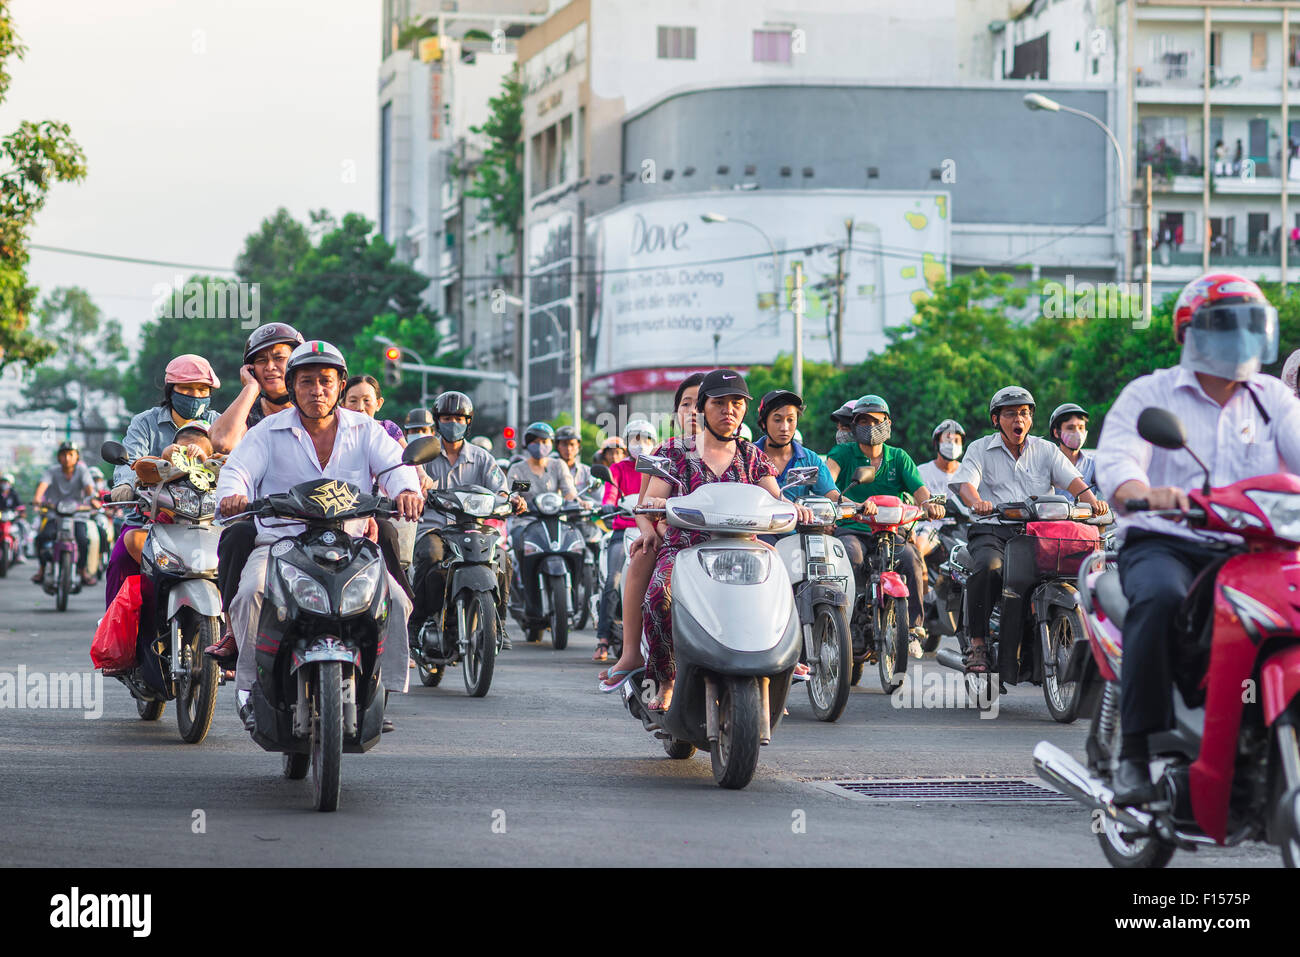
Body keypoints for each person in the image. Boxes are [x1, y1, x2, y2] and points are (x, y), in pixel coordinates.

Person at [1096, 273, 1300, 806]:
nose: (1239, 338)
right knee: (1161, 600)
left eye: (1249, 326)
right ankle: (1134, 754)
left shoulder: (1273, 398)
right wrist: (1141, 490)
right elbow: (1118, 459)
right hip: (1169, 542)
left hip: (1258, 545)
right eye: (1225, 325)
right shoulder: (1151, 393)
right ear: (1191, 332)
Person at [216, 340, 423, 732]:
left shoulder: (367, 429)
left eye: (326, 381)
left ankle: (379, 690)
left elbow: (395, 466)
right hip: (281, 544)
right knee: (249, 595)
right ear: (292, 387)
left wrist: (406, 490)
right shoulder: (266, 432)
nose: (317, 390)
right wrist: (232, 497)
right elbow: (237, 470)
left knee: (396, 599)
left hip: (351, 544)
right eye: (306, 381)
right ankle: (248, 691)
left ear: (340, 386)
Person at [637, 370, 814, 711]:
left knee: (780, 598)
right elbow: (653, 499)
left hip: (744, 551)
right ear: (703, 408)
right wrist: (658, 501)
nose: (728, 410)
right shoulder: (674, 451)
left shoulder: (753, 456)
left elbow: (775, 498)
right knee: (659, 597)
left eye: (736, 403)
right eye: (719, 403)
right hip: (686, 550)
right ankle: (667, 679)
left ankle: (772, 674)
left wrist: (794, 507)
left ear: (744, 410)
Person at [950, 386, 1108, 675]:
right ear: (996, 419)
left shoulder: (1046, 450)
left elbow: (1074, 482)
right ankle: (978, 643)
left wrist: (1094, 503)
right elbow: (966, 485)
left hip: (1039, 533)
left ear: (1031, 420)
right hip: (993, 530)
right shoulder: (979, 448)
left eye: (1023, 413)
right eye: (1010, 414)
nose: (1017, 419)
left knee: (1070, 569)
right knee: (989, 567)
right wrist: (978, 503)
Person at [598, 373, 707, 689]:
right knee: (640, 555)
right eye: (686, 404)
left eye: (701, 403)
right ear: (676, 413)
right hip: (672, 539)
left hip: (726, 543)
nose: (693, 411)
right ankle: (630, 653)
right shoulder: (663, 452)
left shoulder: (739, 451)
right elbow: (643, 507)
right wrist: (648, 530)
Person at [826, 395, 945, 654]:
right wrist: (849, 503)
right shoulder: (843, 453)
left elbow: (921, 491)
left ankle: (913, 629)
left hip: (891, 530)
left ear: (887, 423)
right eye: (863, 421)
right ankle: (852, 622)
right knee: (851, 556)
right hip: (853, 528)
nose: (869, 426)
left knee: (911, 558)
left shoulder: (899, 458)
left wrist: (929, 506)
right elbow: (828, 484)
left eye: (875, 421)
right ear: (855, 425)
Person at [408, 390, 522, 654]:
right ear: (437, 421)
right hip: (436, 528)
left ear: (468, 421)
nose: (453, 423)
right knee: (430, 555)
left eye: (459, 418)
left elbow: (501, 489)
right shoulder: (424, 454)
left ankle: (499, 623)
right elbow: (412, 484)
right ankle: (419, 619)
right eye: (447, 417)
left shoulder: (482, 457)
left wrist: (511, 500)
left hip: (475, 528)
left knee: (503, 560)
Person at [104, 354, 221, 605]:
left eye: (202, 389)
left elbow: (235, 459)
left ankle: (237, 637)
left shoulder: (218, 423)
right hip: (149, 520)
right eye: (187, 388)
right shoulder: (145, 422)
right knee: (121, 560)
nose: (195, 394)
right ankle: (119, 638)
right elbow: (131, 460)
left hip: (210, 522)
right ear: (171, 390)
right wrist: (124, 485)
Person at [592, 418, 656, 662]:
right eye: (635, 439)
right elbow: (610, 492)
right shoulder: (617, 469)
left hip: (650, 532)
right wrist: (608, 505)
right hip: (623, 530)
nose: (641, 444)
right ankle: (603, 639)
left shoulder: (657, 468)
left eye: (646, 439)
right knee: (613, 580)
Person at [208, 322, 304, 453]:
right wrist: (251, 387)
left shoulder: (316, 407)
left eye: (279, 358)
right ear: (251, 370)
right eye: (261, 360)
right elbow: (223, 442)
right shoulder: (247, 415)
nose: (270, 367)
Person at [32, 441, 100, 586]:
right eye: (63, 454)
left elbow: (89, 489)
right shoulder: (52, 471)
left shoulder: (83, 471)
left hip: (78, 516)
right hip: (55, 516)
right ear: (58, 457)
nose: (67, 458)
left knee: (83, 540)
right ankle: (42, 569)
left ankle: (82, 571)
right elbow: (42, 486)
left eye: (71, 454)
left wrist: (93, 500)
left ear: (77, 457)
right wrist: (37, 499)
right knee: (42, 538)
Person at [755, 390, 841, 504]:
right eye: (777, 420)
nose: (785, 427)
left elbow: (833, 496)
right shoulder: (748, 456)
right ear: (763, 423)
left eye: (790, 420)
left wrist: (858, 505)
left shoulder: (810, 459)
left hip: (799, 521)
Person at [915, 418, 967, 559]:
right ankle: (922, 581)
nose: (952, 445)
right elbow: (917, 499)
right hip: (932, 525)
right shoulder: (922, 471)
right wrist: (939, 502)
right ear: (937, 443)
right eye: (947, 440)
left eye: (957, 441)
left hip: (961, 526)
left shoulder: (968, 472)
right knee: (918, 548)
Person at [343, 374, 406, 446]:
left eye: (366, 400)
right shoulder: (337, 432)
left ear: (378, 404)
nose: (360, 408)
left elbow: (407, 456)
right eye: (353, 401)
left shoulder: (388, 429)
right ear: (343, 405)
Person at [1047, 403, 1096, 496]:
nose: (1077, 432)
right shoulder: (1047, 463)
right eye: (1070, 428)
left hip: (1087, 511)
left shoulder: (1093, 464)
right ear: (1056, 432)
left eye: (1081, 427)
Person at [554, 425, 595, 501]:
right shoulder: (549, 469)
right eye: (564, 444)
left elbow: (598, 497)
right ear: (557, 446)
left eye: (572, 444)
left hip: (582, 511)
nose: (568, 449)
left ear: (578, 446)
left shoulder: (586, 471)